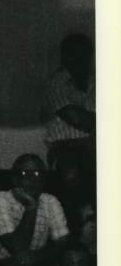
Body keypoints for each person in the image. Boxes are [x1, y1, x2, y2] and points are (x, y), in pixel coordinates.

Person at [0, 153, 70, 266]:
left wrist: (36, 257)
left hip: (36, 261)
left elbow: (63, 241)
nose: (33, 179)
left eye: (37, 173)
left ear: (44, 179)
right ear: (15, 179)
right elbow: (17, 247)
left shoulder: (50, 200)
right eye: (25, 173)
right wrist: (31, 208)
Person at [42, 33, 95, 173]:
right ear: (64, 57)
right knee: (72, 170)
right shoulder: (56, 84)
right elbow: (75, 118)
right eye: (74, 54)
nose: (80, 59)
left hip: (96, 146)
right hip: (65, 149)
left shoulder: (97, 82)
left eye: (84, 54)